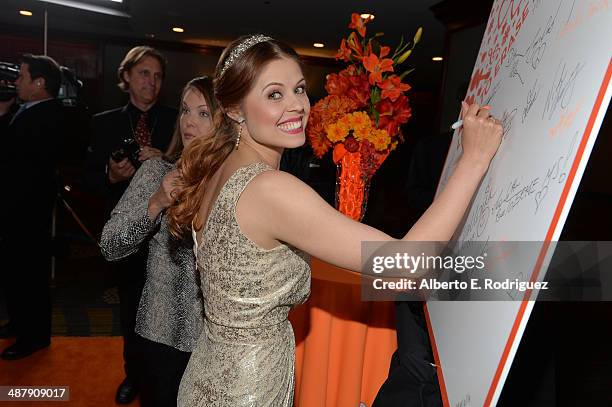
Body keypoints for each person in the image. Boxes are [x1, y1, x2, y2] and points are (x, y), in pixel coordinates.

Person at [166, 34, 502, 406]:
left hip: (207, 374)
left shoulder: (217, 169)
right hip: (248, 388)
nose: (296, 106)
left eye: (298, 89)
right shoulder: (270, 190)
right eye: (274, 95)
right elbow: (408, 264)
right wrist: (473, 160)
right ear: (233, 108)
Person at [99, 77, 215, 407]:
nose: (189, 121)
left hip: (214, 341)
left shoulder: (236, 181)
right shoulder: (156, 171)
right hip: (160, 332)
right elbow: (110, 246)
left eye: (204, 113)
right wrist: (156, 202)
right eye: (185, 110)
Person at [84, 46, 177, 404]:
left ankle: (162, 379)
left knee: (166, 312)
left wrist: (165, 160)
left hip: (169, 236)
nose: (151, 82)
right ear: (126, 77)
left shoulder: (178, 119)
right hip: (126, 233)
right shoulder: (103, 122)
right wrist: (111, 174)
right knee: (131, 309)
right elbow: (88, 178)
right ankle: (133, 376)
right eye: (143, 74)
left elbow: (196, 165)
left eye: (157, 76)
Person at [0, 54, 65, 360]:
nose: (16, 82)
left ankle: (34, 337)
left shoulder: (49, 115)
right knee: (15, 271)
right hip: (16, 210)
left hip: (29, 211)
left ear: (39, 84)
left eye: (22, 77)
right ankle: (18, 324)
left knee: (30, 276)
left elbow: (15, 157)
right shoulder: (24, 110)